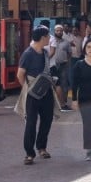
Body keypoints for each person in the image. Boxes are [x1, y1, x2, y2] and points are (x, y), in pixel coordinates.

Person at [16, 25, 56, 165]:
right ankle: (29, 153)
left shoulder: (45, 53)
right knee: (31, 123)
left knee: (47, 119)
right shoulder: (28, 54)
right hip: (32, 94)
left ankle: (42, 147)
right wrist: (27, 88)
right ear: (42, 38)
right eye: (48, 36)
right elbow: (20, 74)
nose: (50, 38)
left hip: (46, 91)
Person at [51, 24, 72, 110]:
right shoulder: (51, 41)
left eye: (60, 31)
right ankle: (54, 102)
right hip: (53, 66)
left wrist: (67, 60)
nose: (59, 32)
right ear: (54, 31)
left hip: (63, 65)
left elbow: (69, 53)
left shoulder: (66, 42)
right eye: (57, 31)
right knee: (53, 84)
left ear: (62, 32)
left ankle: (63, 103)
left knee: (63, 84)